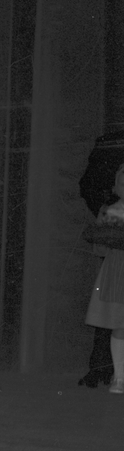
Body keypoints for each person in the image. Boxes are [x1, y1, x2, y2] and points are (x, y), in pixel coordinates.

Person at [78, 127, 124, 387]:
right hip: (117, 243)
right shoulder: (111, 142)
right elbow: (89, 185)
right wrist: (110, 221)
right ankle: (105, 369)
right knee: (112, 308)